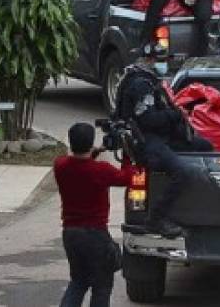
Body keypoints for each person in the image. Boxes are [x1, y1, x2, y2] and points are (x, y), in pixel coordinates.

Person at [115, 43, 212, 237]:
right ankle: (156, 219)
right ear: (150, 60)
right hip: (147, 140)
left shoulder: (147, 79)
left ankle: (204, 204)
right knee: (181, 172)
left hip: (160, 136)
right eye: (162, 61)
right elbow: (148, 119)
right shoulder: (141, 85)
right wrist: (173, 115)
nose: (165, 65)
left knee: (204, 146)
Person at [54, 122, 134, 307]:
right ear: (91, 143)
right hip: (95, 235)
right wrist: (127, 156)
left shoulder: (60, 166)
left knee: (78, 282)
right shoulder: (102, 170)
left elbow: (78, 162)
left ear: (70, 142)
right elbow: (127, 177)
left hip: (71, 234)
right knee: (101, 286)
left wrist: (95, 151)